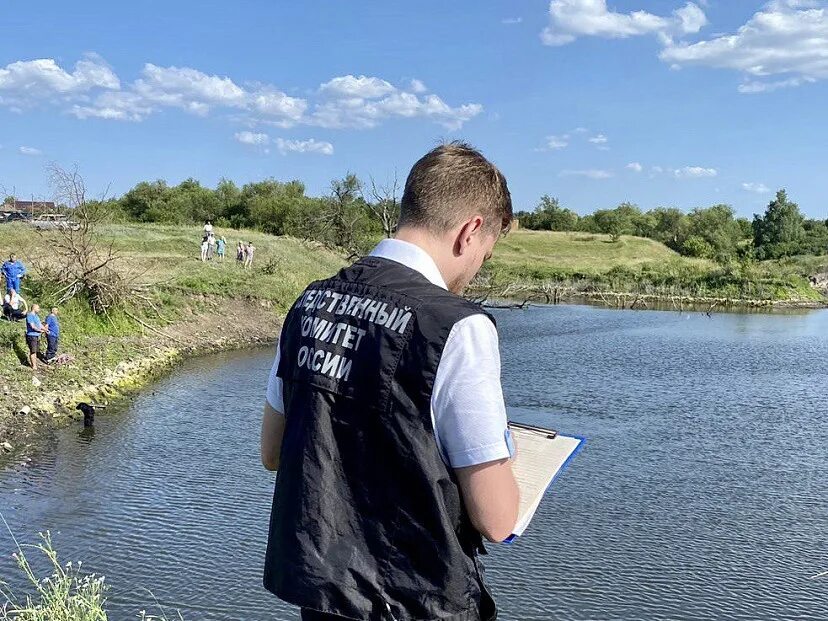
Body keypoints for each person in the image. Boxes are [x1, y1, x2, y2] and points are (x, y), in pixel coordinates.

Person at [261, 142, 519, 621]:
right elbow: (497, 520)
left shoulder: (309, 304)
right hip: (417, 600)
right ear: (470, 231)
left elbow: (273, 452)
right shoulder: (458, 326)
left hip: (326, 598)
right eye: (486, 254)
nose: (477, 268)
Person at [25, 303, 47, 370]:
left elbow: (39, 325)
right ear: (34, 308)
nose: (39, 309)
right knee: (33, 351)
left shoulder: (36, 316)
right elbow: (32, 326)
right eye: (38, 308)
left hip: (36, 336)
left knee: (36, 351)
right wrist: (39, 331)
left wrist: (46, 329)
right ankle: (34, 366)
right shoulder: (30, 315)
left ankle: (35, 364)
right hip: (31, 336)